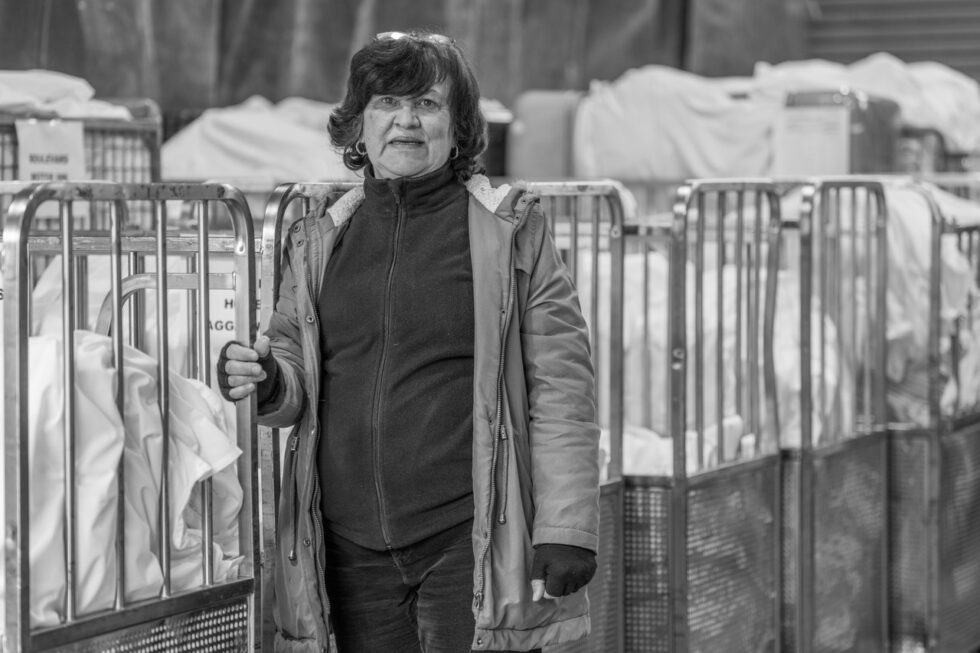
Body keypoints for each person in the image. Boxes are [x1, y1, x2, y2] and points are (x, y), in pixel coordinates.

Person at [217, 30, 600, 653]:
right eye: (386, 104)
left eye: (426, 104)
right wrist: (268, 380)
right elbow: (294, 373)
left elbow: (562, 387)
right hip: (346, 545)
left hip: (468, 536)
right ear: (358, 127)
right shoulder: (320, 238)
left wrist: (567, 527)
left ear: (458, 126)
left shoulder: (510, 230)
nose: (406, 122)